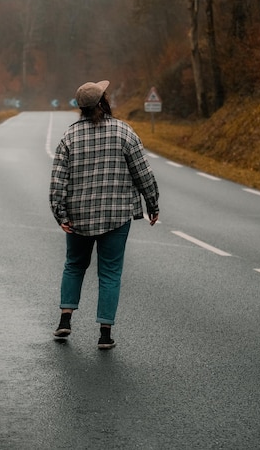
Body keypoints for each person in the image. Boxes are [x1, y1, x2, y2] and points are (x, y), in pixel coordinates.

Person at [49, 80, 159, 349]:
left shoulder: (69, 137)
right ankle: (105, 334)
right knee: (110, 273)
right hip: (116, 215)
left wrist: (60, 214)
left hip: (78, 217)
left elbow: (58, 181)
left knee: (74, 265)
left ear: (81, 108)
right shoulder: (124, 132)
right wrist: (152, 204)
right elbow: (143, 173)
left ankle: (65, 320)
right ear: (103, 103)